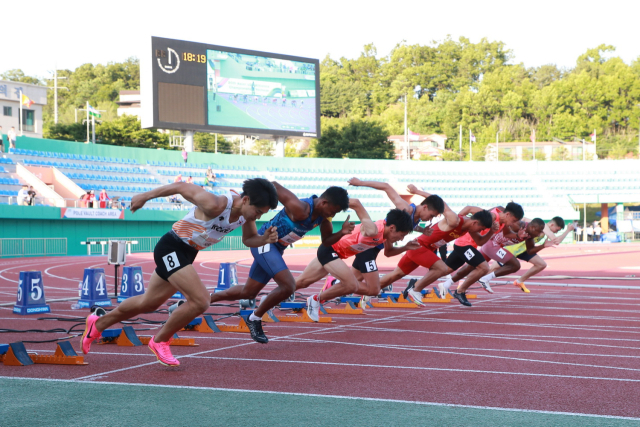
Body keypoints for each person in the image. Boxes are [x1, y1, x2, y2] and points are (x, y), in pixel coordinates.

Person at [81, 178, 279, 366]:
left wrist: (265, 239)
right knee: (201, 300)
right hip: (171, 248)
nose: (258, 217)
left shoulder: (245, 215)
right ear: (245, 200)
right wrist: (144, 196)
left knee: (149, 303)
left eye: (263, 214)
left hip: (187, 253)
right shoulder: (216, 204)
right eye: (258, 211)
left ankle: (98, 323)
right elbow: (181, 187)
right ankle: (160, 341)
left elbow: (249, 239)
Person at [209, 184, 349, 343]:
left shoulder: (322, 219)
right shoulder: (300, 207)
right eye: (333, 211)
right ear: (324, 203)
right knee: (289, 285)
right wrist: (254, 200)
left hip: (276, 248)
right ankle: (254, 318)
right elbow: (274, 185)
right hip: (264, 243)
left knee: (248, 293)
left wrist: (342, 232)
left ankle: (207, 299)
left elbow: (326, 241)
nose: (333, 215)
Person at [298, 205, 414, 321]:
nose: (402, 239)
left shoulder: (386, 233)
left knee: (302, 282)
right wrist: (333, 203)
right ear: (392, 228)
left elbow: (388, 253)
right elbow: (357, 203)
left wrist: (406, 247)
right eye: (402, 235)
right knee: (354, 285)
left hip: (338, 253)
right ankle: (320, 295)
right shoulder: (374, 230)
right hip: (329, 251)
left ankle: (298, 295)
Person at [344, 179, 445, 303]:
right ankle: (330, 291)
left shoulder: (416, 219)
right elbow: (386, 186)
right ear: (424, 207)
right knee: (371, 287)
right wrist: (360, 183)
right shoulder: (406, 209)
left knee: (356, 278)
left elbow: (393, 247)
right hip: (370, 243)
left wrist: (422, 231)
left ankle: (334, 284)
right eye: (431, 215)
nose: (430, 220)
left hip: (375, 245)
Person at [389, 205, 495, 305]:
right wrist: (417, 191)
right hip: (429, 246)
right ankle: (417, 289)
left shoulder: (469, 228)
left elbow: (480, 241)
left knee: (446, 269)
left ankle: (379, 289)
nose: (480, 231)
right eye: (481, 229)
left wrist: (491, 231)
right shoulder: (456, 219)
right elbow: (464, 207)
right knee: (479, 267)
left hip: (432, 247)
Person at [435, 202, 525, 300]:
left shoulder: (503, 222)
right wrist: (457, 223)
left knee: (446, 269)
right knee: (483, 268)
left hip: (470, 245)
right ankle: (460, 291)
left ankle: (433, 285)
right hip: (464, 244)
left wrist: (517, 235)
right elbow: (469, 208)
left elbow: (506, 234)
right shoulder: (492, 216)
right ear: (507, 214)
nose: (513, 224)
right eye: (514, 220)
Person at [497, 217, 574, 292]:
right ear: (552, 225)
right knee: (493, 268)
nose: (556, 232)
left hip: (526, 250)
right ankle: (484, 278)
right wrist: (568, 230)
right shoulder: (543, 226)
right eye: (557, 230)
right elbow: (556, 241)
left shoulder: (543, 230)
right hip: (513, 249)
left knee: (541, 264)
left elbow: (524, 219)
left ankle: (519, 281)